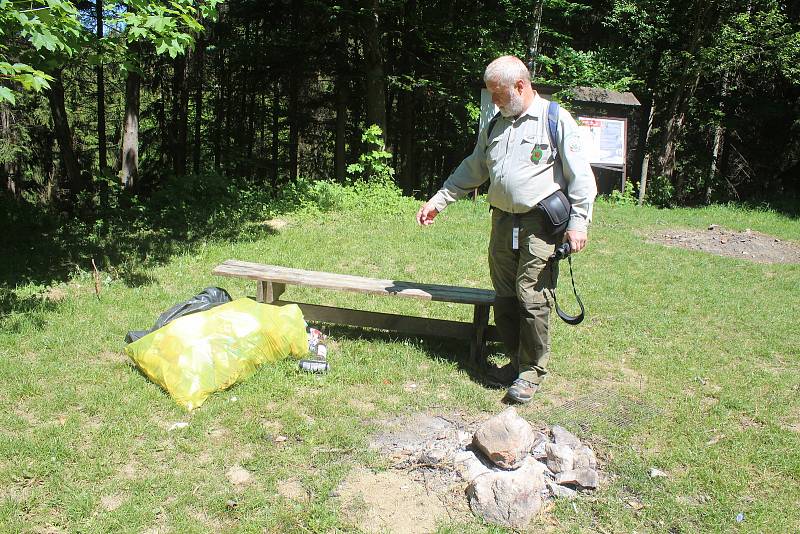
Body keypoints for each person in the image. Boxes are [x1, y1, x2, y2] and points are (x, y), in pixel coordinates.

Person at [416, 55, 597, 404]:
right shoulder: (496, 124)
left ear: (521, 85)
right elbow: (474, 168)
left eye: (498, 94)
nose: (494, 101)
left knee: (532, 295)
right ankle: (515, 362)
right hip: (502, 221)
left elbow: (581, 177)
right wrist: (438, 201)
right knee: (504, 293)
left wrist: (579, 223)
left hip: (540, 224)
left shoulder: (554, 119)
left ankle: (531, 372)